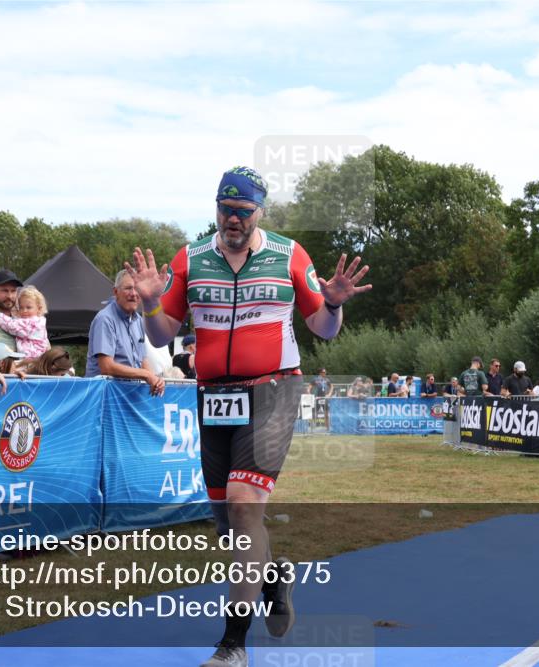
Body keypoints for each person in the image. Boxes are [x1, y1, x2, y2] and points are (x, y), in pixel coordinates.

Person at [126, 165, 371, 667]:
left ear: (261, 212)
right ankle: (274, 574)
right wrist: (151, 304)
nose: (232, 220)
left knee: (243, 504)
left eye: (242, 211)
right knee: (232, 526)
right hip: (213, 395)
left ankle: (233, 644)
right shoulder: (191, 257)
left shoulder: (287, 255)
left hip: (273, 390)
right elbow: (158, 335)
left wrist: (334, 304)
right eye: (224, 209)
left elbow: (323, 330)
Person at [85, 269, 164, 396]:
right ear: (116, 292)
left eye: (137, 289)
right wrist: (146, 375)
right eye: (128, 288)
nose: (133, 293)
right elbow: (107, 367)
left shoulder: (138, 320)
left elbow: (143, 360)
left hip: (125, 397)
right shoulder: (105, 319)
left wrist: (155, 380)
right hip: (102, 396)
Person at [0, 285, 50, 360]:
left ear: (39, 308)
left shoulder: (34, 323)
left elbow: (11, 325)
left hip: (32, 360)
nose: (24, 311)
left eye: (28, 307)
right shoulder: (37, 321)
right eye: (21, 307)